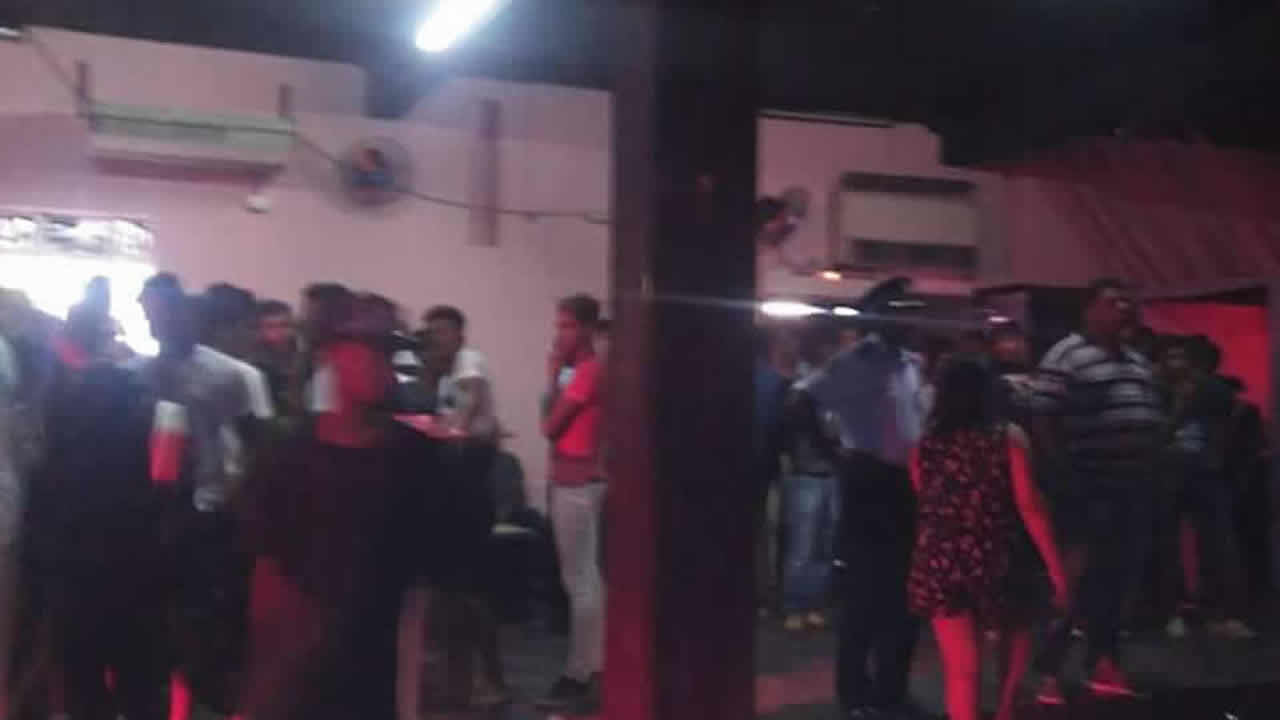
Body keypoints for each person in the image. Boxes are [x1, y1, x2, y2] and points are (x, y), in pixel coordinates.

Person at [240, 312, 446, 720]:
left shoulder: (413, 456)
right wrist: (264, 672)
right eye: (367, 353)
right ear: (333, 356)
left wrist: (412, 694)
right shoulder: (288, 454)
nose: (378, 368)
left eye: (385, 356)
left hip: (376, 648)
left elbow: (420, 584)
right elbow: (267, 568)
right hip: (302, 649)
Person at [908, 357, 1068, 720]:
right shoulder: (1007, 438)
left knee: (961, 671)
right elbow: (1030, 507)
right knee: (1016, 630)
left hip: (942, 558)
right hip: (996, 554)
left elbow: (925, 498)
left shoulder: (925, 445)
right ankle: (1005, 709)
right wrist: (1056, 569)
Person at [1029, 279, 1164, 701]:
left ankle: (1102, 660)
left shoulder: (1136, 361)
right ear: (1089, 309)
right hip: (1088, 488)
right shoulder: (1066, 356)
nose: (1124, 308)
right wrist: (1065, 475)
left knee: (1116, 581)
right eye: (1113, 302)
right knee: (1072, 581)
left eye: (1128, 301)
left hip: (1131, 488)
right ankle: (1048, 668)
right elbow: (1043, 418)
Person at [35, 304, 170, 720]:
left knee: (81, 670)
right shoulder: (144, 401)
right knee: (138, 670)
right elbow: (166, 476)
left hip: (75, 550)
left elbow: (45, 476)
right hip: (134, 549)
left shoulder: (59, 403)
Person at [807, 277, 931, 720]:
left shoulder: (912, 363)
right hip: (870, 481)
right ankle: (856, 695)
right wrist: (835, 456)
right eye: (900, 310)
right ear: (879, 317)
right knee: (864, 595)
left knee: (905, 597)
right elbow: (801, 402)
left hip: (906, 485)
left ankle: (891, 692)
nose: (910, 319)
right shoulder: (856, 362)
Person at [420, 305, 506, 708]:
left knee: (471, 591)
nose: (435, 339)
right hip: (448, 495)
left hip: (469, 494)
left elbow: (460, 423)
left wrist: (442, 428)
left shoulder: (469, 363)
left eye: (442, 332)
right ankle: (460, 681)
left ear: (459, 335)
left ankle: (491, 680)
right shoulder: (441, 377)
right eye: (431, 332)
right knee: (447, 593)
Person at [537, 294, 606, 712]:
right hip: (572, 479)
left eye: (567, 326)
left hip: (578, 482)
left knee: (581, 580)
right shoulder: (580, 371)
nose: (559, 334)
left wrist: (551, 377)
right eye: (558, 326)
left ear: (586, 328)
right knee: (583, 579)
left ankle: (581, 673)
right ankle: (589, 667)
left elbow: (550, 426)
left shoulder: (587, 371)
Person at [780, 319, 842, 632]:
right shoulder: (801, 386)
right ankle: (796, 605)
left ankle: (813, 603)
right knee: (804, 545)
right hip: (808, 473)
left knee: (824, 545)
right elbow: (806, 431)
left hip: (828, 474)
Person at [255, 299, 297, 413]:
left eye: (285, 325)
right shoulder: (254, 366)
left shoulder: (306, 360)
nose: (280, 332)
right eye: (271, 326)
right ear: (260, 330)